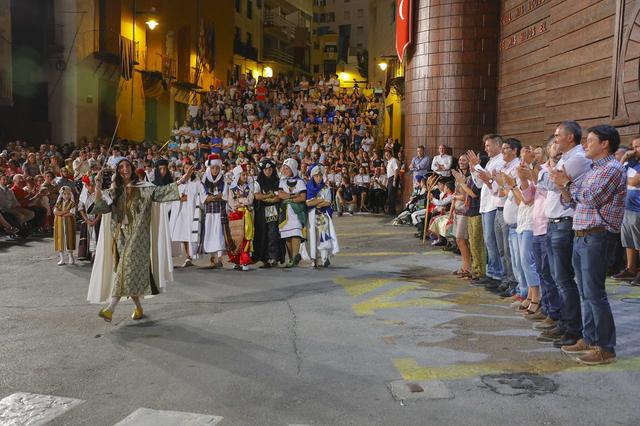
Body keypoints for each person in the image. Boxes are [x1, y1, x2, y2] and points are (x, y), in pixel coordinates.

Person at [550, 124, 626, 365]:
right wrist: (567, 187)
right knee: (585, 291)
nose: (585, 145)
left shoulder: (611, 169)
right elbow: (574, 201)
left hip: (598, 235)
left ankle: (605, 347)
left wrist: (567, 185)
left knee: (595, 292)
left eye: (591, 141)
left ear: (605, 144)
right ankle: (589, 337)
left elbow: (591, 198)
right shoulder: (594, 169)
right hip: (582, 233)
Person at [88, 158, 193, 323]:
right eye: (121, 167)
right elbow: (102, 207)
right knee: (128, 272)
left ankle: (110, 308)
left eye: (127, 166)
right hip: (120, 236)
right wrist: (98, 186)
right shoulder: (115, 191)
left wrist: (182, 180)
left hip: (139, 236)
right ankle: (138, 307)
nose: (125, 169)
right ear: (117, 170)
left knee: (126, 268)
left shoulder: (144, 188)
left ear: (132, 168)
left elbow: (161, 192)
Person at [169, 161, 205, 267]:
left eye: (189, 168)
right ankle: (187, 256)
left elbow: (200, 195)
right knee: (183, 233)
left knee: (191, 233)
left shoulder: (197, 181)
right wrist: (181, 197)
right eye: (185, 168)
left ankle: (191, 255)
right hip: (181, 210)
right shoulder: (181, 181)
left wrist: (189, 198)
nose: (187, 170)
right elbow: (176, 194)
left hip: (192, 210)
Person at [306, 164, 339, 267]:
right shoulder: (308, 187)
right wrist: (320, 201)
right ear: (312, 176)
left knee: (324, 236)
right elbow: (307, 203)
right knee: (312, 237)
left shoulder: (326, 188)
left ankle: (325, 258)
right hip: (311, 216)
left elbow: (328, 202)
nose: (319, 178)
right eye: (316, 176)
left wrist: (315, 202)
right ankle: (313, 258)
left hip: (322, 215)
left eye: (320, 175)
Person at [253, 158, 284, 268]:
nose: (268, 171)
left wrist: (268, 198)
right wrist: (269, 196)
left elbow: (278, 196)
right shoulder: (258, 182)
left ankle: (273, 257)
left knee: (273, 232)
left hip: (273, 210)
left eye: (270, 169)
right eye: (266, 169)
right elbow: (257, 196)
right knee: (262, 233)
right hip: (261, 211)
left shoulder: (277, 180)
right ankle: (264, 257)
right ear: (262, 170)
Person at [278, 158, 307, 268]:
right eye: (283, 168)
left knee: (295, 233)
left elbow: (303, 197)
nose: (284, 170)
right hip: (285, 212)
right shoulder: (282, 181)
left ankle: (295, 256)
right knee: (287, 235)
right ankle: (291, 258)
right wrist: (292, 196)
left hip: (296, 212)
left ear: (293, 169)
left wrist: (288, 198)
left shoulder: (300, 181)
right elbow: (280, 195)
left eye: (287, 168)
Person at [200, 154, 228, 269]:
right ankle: (212, 259)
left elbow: (224, 195)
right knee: (210, 232)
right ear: (209, 168)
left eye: (217, 168)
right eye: (213, 168)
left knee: (219, 233)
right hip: (209, 211)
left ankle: (220, 259)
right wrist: (214, 197)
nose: (215, 170)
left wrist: (212, 197)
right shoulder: (205, 179)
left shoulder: (223, 178)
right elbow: (203, 197)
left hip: (220, 210)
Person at [226, 164, 255, 271]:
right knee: (236, 237)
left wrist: (240, 201)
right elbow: (231, 202)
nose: (245, 176)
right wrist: (243, 201)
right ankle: (236, 260)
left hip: (246, 214)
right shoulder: (232, 189)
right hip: (236, 215)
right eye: (243, 174)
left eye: (246, 174)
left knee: (245, 237)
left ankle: (244, 260)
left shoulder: (249, 187)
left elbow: (250, 200)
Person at [77, 175, 101, 261]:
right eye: (89, 185)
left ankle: (96, 254)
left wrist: (96, 220)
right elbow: (80, 208)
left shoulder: (98, 194)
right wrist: (87, 220)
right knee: (90, 236)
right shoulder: (83, 195)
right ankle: (90, 253)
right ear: (86, 186)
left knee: (96, 235)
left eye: (93, 185)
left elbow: (102, 208)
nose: (91, 187)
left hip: (97, 218)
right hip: (88, 219)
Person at [53, 186, 77, 266]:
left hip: (68, 223)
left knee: (69, 238)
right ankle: (62, 258)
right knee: (60, 238)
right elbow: (55, 212)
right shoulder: (59, 203)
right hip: (59, 223)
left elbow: (71, 213)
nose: (66, 196)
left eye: (68, 194)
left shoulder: (72, 203)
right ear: (61, 194)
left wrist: (61, 213)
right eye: (64, 194)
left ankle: (70, 256)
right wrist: (65, 212)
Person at [385, 150, 400, 215]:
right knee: (390, 195)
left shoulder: (393, 160)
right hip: (390, 178)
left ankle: (391, 212)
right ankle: (391, 210)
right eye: (385, 155)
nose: (387, 156)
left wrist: (394, 180)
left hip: (393, 178)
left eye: (388, 154)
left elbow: (396, 170)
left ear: (391, 154)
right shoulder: (389, 161)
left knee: (392, 195)